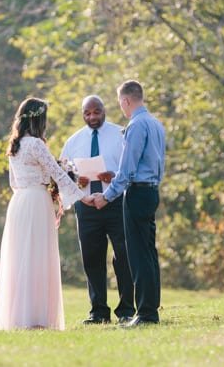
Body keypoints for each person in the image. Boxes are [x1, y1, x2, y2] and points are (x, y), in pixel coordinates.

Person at [0, 98, 87, 330]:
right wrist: (84, 197)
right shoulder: (36, 144)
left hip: (19, 203)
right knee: (38, 257)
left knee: (21, 257)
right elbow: (58, 173)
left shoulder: (14, 146)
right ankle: (36, 318)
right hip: (36, 202)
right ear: (38, 119)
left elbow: (13, 182)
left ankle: (19, 317)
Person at [85, 80, 166, 327]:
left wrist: (107, 196)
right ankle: (151, 309)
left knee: (139, 256)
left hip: (137, 193)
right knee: (149, 254)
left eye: (121, 103)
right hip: (152, 191)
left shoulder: (136, 125)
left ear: (126, 101)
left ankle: (146, 314)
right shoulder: (155, 123)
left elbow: (126, 169)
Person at [60, 95, 135, 325]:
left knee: (123, 256)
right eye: (87, 113)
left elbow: (131, 167)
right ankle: (98, 311)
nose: (92, 117)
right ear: (82, 114)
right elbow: (63, 174)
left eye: (96, 112)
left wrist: (112, 177)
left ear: (105, 110)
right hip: (87, 206)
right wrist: (77, 181)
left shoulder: (121, 134)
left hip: (115, 202)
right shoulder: (73, 141)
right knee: (91, 258)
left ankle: (126, 311)